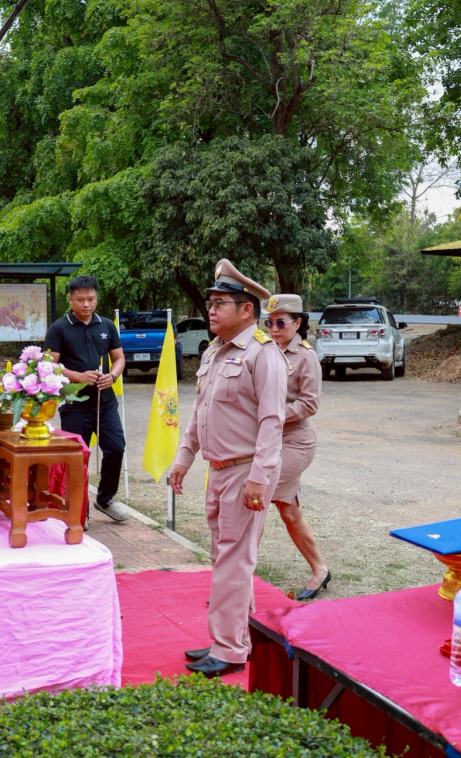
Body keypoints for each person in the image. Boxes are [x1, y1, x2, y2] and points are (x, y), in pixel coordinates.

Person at [168, 259, 286, 677]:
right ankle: (238, 638)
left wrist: (259, 476)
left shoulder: (264, 355)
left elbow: (273, 421)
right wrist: (184, 459)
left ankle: (230, 649)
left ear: (247, 310)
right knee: (226, 557)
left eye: (221, 303)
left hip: (245, 471)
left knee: (234, 560)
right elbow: (201, 411)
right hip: (218, 470)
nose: (211, 310)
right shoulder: (217, 353)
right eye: (210, 302)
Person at [44, 275, 129, 522]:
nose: (86, 304)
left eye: (90, 299)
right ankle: (80, 510)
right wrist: (78, 376)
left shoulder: (107, 326)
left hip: (105, 401)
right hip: (74, 405)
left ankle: (104, 499)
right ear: (70, 300)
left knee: (116, 448)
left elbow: (120, 358)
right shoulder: (59, 328)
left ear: (97, 298)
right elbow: (51, 365)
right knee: (78, 457)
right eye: (80, 299)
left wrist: (112, 376)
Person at [262, 293, 330, 600]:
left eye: (281, 323)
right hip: (268, 440)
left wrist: (273, 416)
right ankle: (320, 569)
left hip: (296, 441)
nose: (274, 329)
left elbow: (310, 403)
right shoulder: (266, 351)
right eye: (269, 323)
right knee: (288, 511)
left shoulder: (305, 356)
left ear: (298, 323)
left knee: (258, 497)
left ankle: (234, 577)